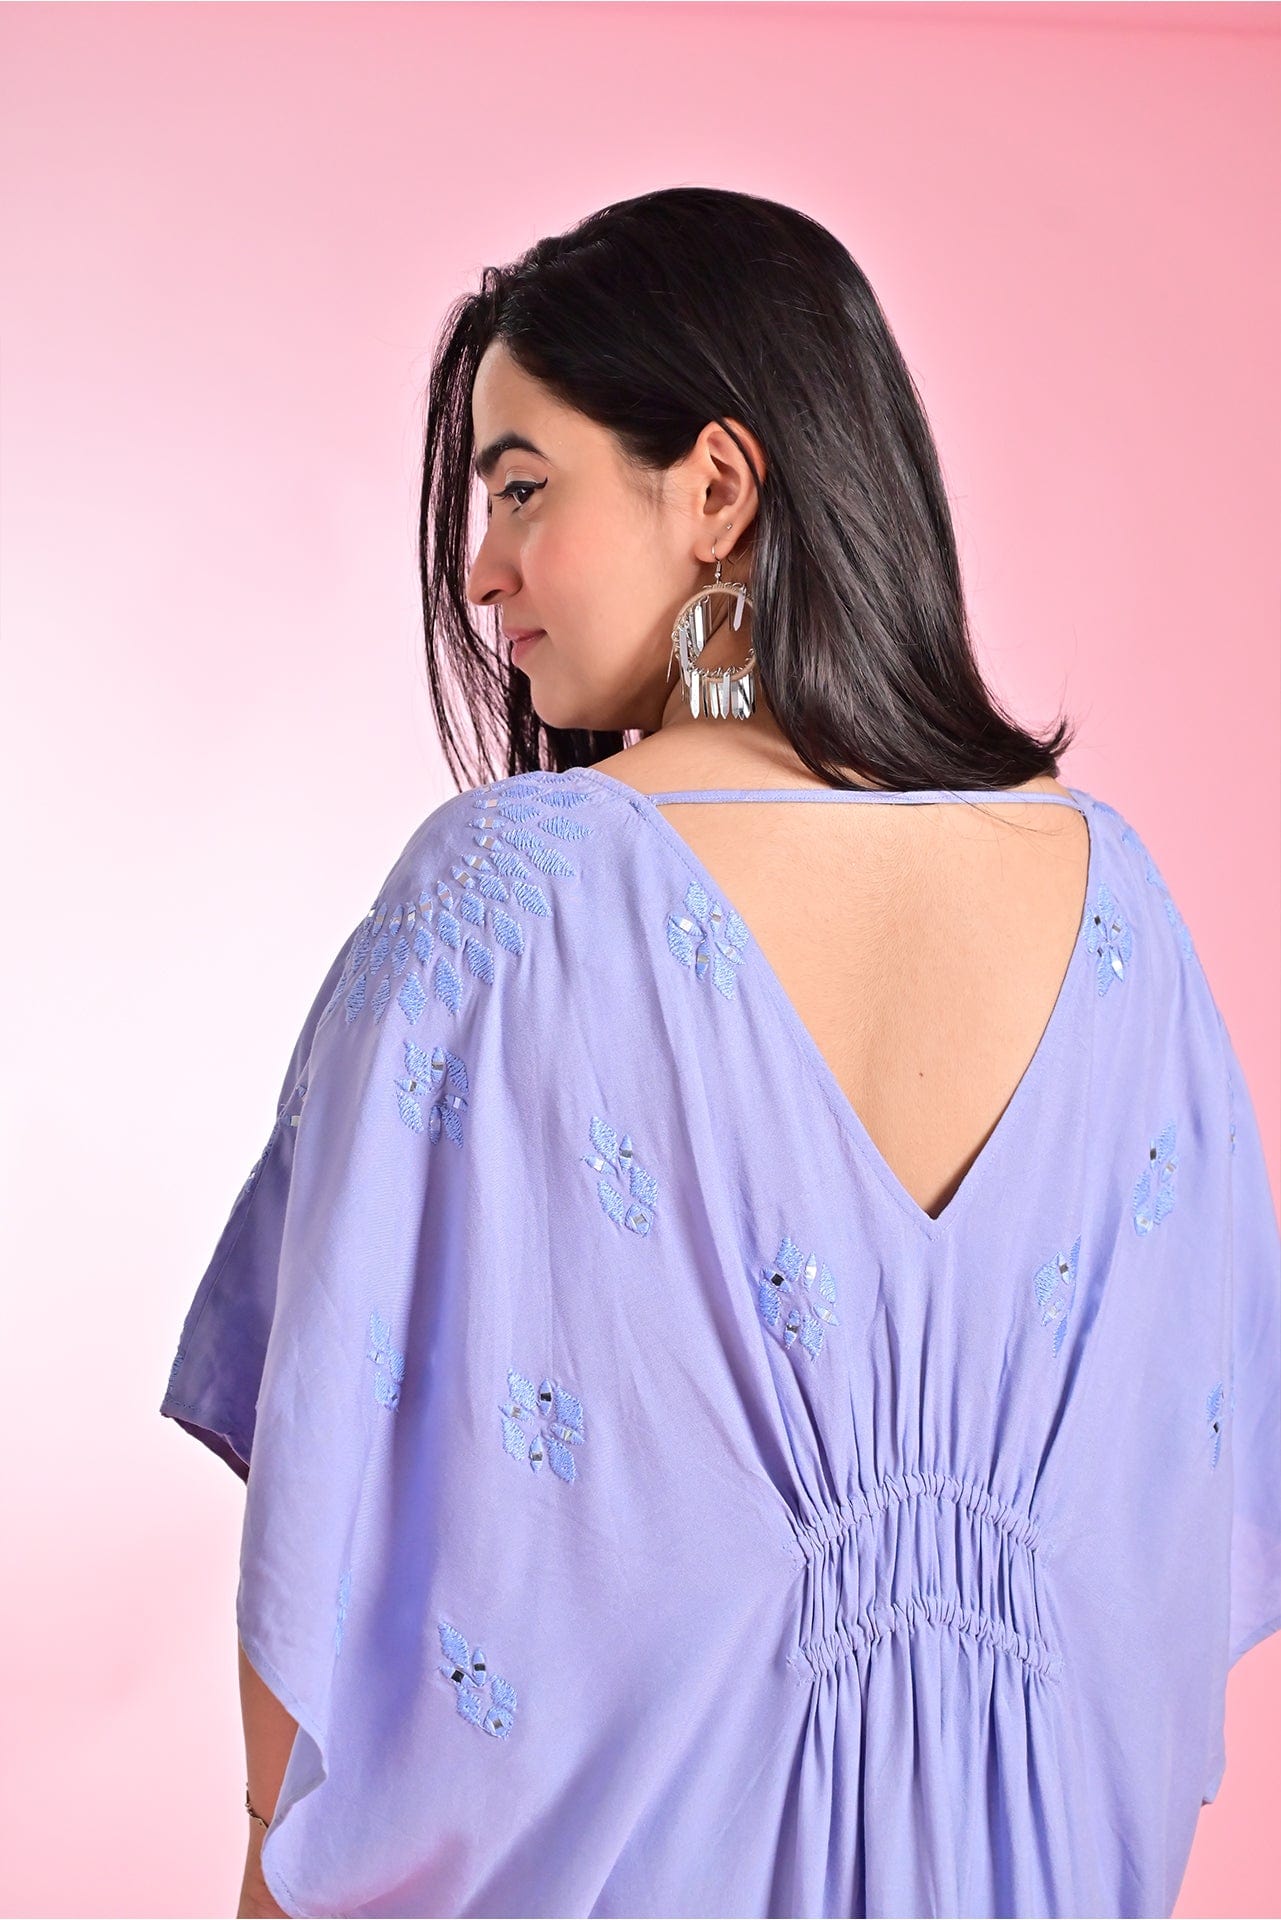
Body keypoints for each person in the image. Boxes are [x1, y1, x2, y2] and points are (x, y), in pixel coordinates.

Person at [160, 187, 1280, 1920]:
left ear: (714, 491)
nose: (479, 569)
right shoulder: (1118, 907)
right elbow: (1174, 1545)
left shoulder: (502, 900)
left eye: (519, 486)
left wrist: (261, 1864)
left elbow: (326, 1521)